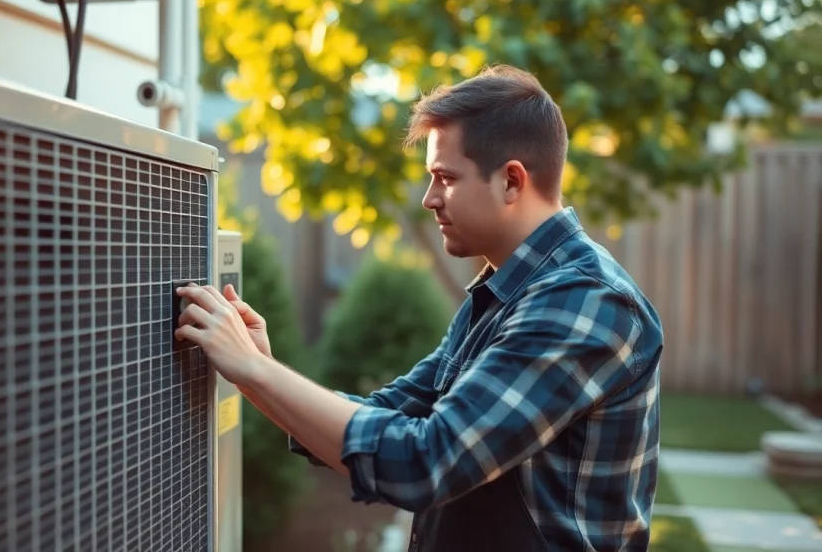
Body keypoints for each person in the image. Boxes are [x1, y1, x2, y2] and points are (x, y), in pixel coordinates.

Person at [174, 64, 663, 552]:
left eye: (445, 178)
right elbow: (391, 412)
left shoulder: (585, 301)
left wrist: (257, 371)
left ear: (512, 181)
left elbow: (427, 462)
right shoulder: (504, 294)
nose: (429, 199)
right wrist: (258, 370)